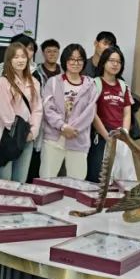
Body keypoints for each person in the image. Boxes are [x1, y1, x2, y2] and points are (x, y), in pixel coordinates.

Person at [0, 42, 42, 183]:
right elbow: (5, 112)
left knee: (20, 182)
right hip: (7, 137)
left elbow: (37, 109)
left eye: (23, 56)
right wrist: (20, 132)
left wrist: (32, 132)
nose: (20, 60)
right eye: (16, 57)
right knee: (4, 183)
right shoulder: (2, 82)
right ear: (9, 60)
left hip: (27, 138)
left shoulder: (34, 82)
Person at [40, 43, 96, 180]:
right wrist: (63, 126)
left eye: (79, 59)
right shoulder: (53, 82)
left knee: (77, 182)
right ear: (65, 60)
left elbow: (89, 113)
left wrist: (72, 129)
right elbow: (48, 108)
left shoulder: (90, 85)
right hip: (54, 139)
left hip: (78, 139)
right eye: (72, 59)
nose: (75, 63)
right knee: (47, 180)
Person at [88, 46, 135, 182]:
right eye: (112, 61)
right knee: (100, 177)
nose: (115, 64)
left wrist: (124, 133)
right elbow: (93, 114)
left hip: (120, 136)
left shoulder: (123, 86)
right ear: (103, 62)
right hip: (101, 137)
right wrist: (107, 137)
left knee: (122, 177)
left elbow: (127, 113)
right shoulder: (95, 83)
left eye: (118, 62)